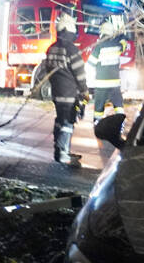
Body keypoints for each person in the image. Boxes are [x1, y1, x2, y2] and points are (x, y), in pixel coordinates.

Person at [41, 13, 89, 168]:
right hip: (69, 94)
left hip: (57, 93)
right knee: (68, 122)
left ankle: (59, 149)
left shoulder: (51, 49)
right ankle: (63, 153)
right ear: (69, 30)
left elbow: (47, 71)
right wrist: (84, 91)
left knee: (60, 120)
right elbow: (79, 73)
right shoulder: (71, 49)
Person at [87, 21, 128, 125]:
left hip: (101, 83)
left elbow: (91, 63)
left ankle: (97, 122)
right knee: (118, 103)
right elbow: (124, 45)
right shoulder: (117, 45)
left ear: (102, 32)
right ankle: (121, 122)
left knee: (99, 105)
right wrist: (121, 36)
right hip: (115, 83)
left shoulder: (99, 46)